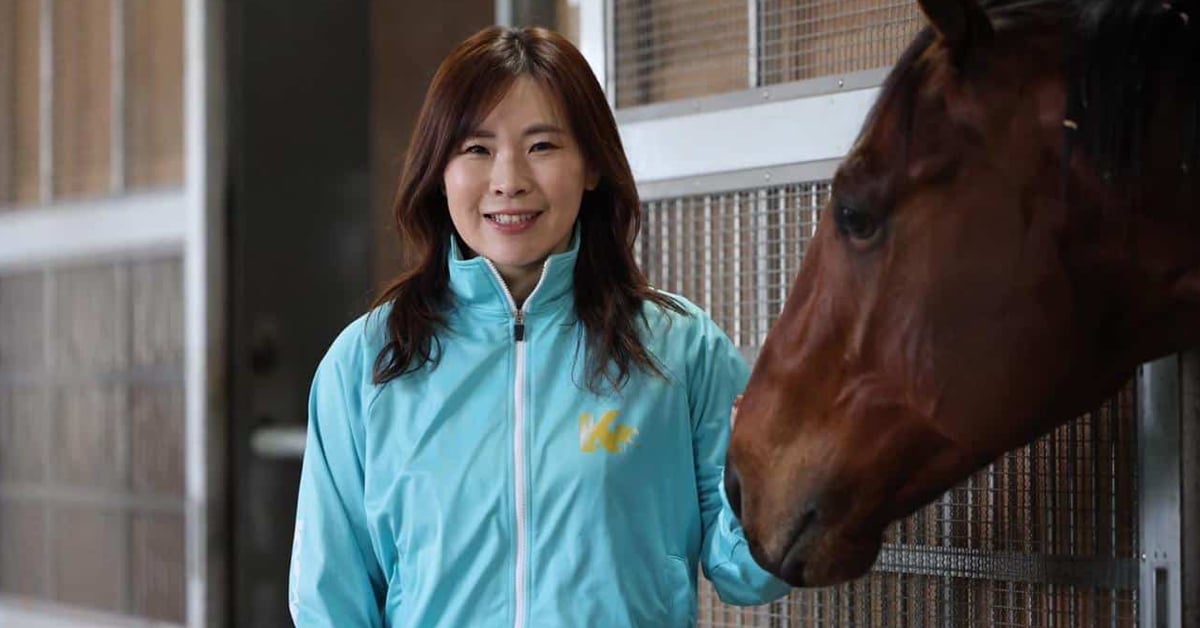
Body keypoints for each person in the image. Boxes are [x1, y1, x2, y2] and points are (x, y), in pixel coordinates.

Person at [288, 25, 789, 627]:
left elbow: (745, 574)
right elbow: (330, 603)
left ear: (592, 167)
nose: (508, 180)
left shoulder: (680, 349)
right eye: (476, 149)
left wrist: (778, 484)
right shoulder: (367, 363)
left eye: (543, 146)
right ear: (439, 170)